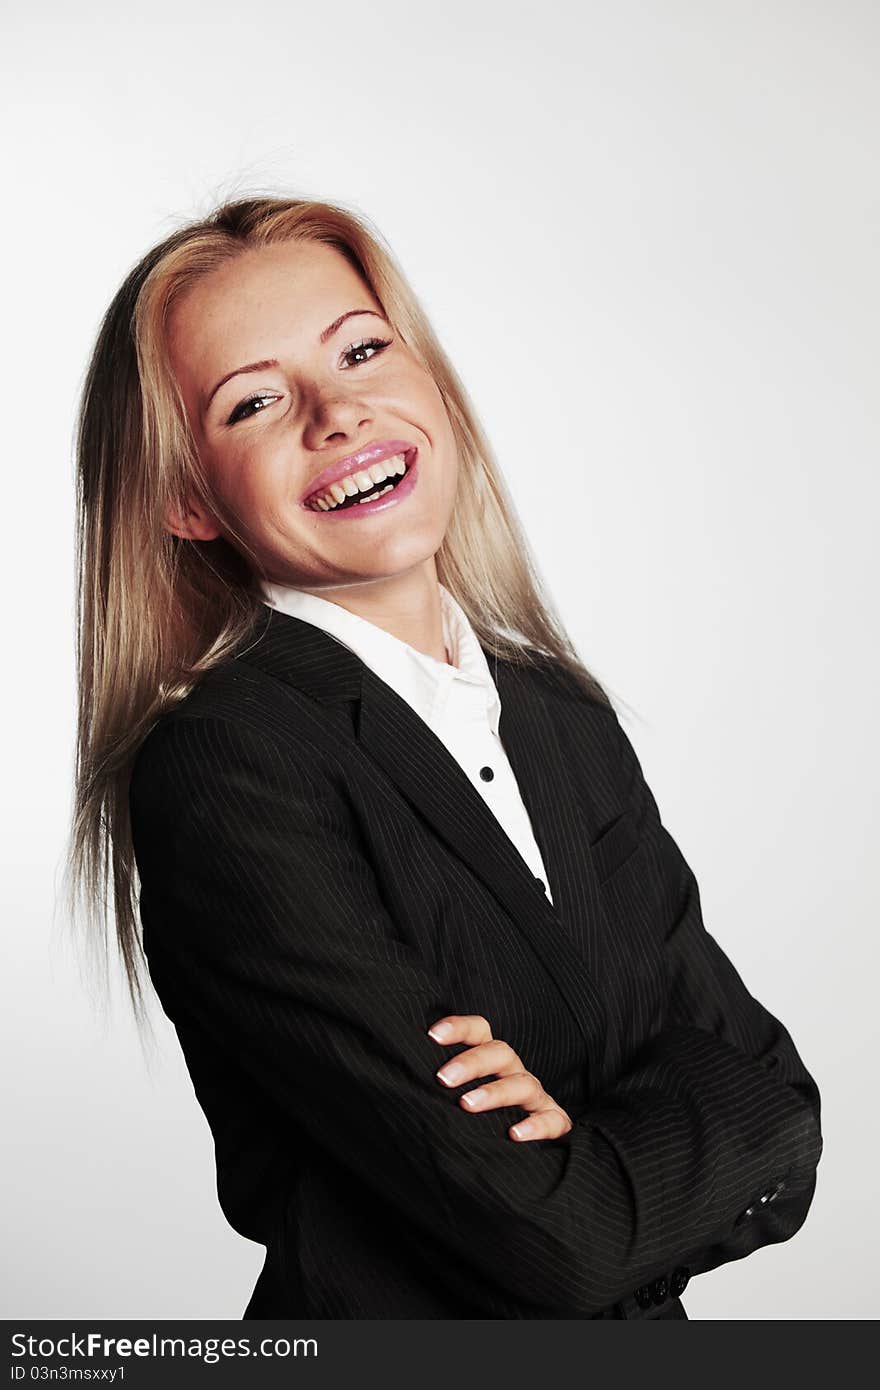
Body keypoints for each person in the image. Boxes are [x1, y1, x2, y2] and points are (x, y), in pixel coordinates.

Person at [66, 194, 823, 1320]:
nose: (338, 412)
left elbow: (786, 1115)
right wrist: (663, 1146)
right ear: (185, 498)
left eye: (364, 350)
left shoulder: (560, 712)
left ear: (429, 381)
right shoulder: (228, 766)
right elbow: (559, 1242)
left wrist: (597, 1154)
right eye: (256, 401)